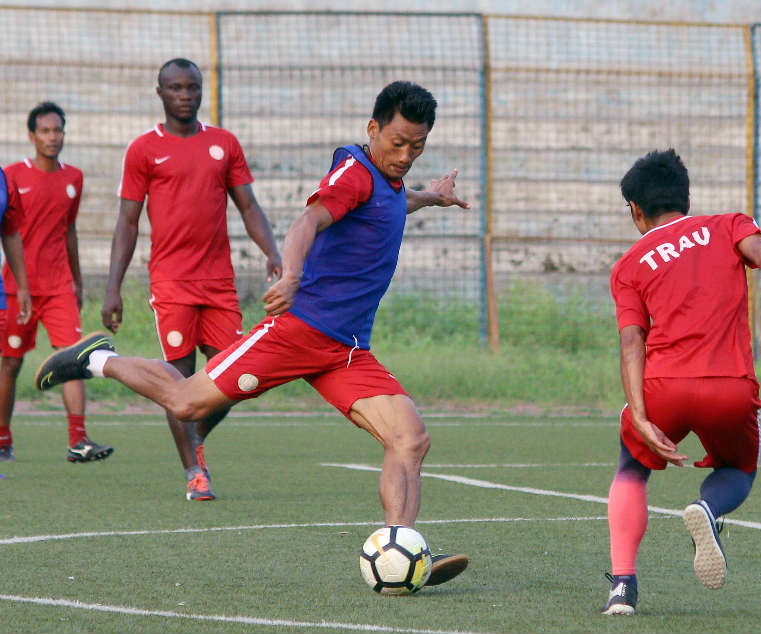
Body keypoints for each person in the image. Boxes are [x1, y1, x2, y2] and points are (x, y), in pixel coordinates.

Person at [37, 80, 471, 586]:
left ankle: (402, 548)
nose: (405, 155)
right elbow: (308, 220)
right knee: (185, 403)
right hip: (299, 332)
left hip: (347, 351)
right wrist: (290, 274)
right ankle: (96, 358)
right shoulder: (354, 172)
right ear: (372, 128)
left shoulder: (388, 183)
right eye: (397, 142)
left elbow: (390, 203)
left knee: (410, 438)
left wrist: (431, 197)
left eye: (416, 146)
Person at [601, 149, 761, 615]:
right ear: (686, 198)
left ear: (635, 209)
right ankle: (708, 510)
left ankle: (622, 587)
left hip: (664, 389)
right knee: (738, 470)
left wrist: (643, 418)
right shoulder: (729, 224)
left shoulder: (629, 264)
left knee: (632, 467)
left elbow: (632, 343)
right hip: (729, 387)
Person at [102, 58, 282, 499]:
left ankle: (194, 430)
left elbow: (249, 207)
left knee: (238, 377)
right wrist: (113, 288)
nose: (186, 95)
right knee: (179, 381)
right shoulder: (144, 149)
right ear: (160, 93)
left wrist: (275, 254)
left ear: (202, 91)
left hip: (219, 281)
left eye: (193, 88)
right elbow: (128, 222)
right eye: (176, 88)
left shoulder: (224, 144)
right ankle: (194, 471)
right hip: (172, 282)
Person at [1, 103, 104, 463]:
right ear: (32, 136)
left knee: (73, 360)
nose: (52, 137)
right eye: (45, 131)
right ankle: (2, 439)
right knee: (10, 363)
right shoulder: (11, 175)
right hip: (18, 288)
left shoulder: (73, 178)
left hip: (59, 286)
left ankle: (79, 440)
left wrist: (77, 281)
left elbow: (69, 231)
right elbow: (8, 231)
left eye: (57, 130)